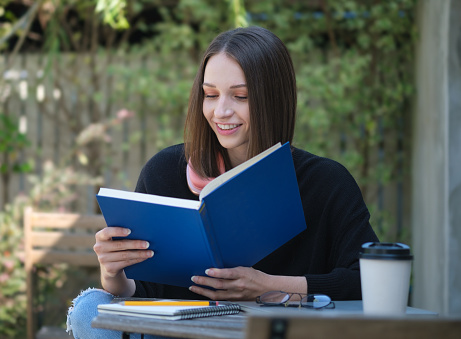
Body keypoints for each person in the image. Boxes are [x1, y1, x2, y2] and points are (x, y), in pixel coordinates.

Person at [67, 26, 379, 338]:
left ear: (275, 100)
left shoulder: (326, 183)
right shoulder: (164, 171)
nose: (221, 111)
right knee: (89, 308)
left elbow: (370, 280)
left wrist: (269, 287)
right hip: (181, 331)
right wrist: (113, 272)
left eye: (240, 96)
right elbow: (144, 293)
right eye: (210, 95)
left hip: (268, 331)